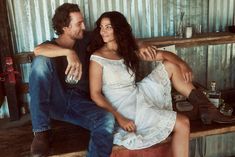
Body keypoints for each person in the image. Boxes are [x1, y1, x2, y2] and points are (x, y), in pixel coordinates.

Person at [88, 11, 235, 157]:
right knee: (182, 122)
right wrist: (119, 117)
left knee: (171, 65)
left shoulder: (127, 51)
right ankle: (207, 108)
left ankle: (206, 107)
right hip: (122, 106)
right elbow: (95, 94)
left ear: (118, 29)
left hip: (137, 94)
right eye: (101, 27)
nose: (103, 31)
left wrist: (183, 64)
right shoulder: (98, 58)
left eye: (108, 27)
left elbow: (164, 55)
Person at [29, 3, 163, 157]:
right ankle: (41, 132)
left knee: (107, 119)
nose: (84, 26)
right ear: (65, 27)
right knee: (40, 62)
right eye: (79, 23)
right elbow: (37, 50)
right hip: (56, 102)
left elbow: (120, 35)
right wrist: (68, 53)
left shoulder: (86, 39)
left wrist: (141, 44)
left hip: (80, 103)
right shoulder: (50, 46)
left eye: (83, 21)